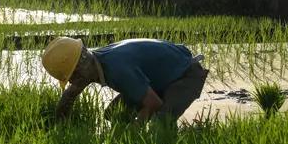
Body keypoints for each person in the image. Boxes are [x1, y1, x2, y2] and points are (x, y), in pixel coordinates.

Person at [41, 37, 208, 123]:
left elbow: (153, 103)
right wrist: (60, 124)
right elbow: (69, 95)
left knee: (161, 123)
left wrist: (134, 132)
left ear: (80, 66)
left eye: (72, 77)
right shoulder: (93, 61)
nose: (73, 83)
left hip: (185, 75)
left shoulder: (117, 69)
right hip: (159, 79)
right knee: (113, 114)